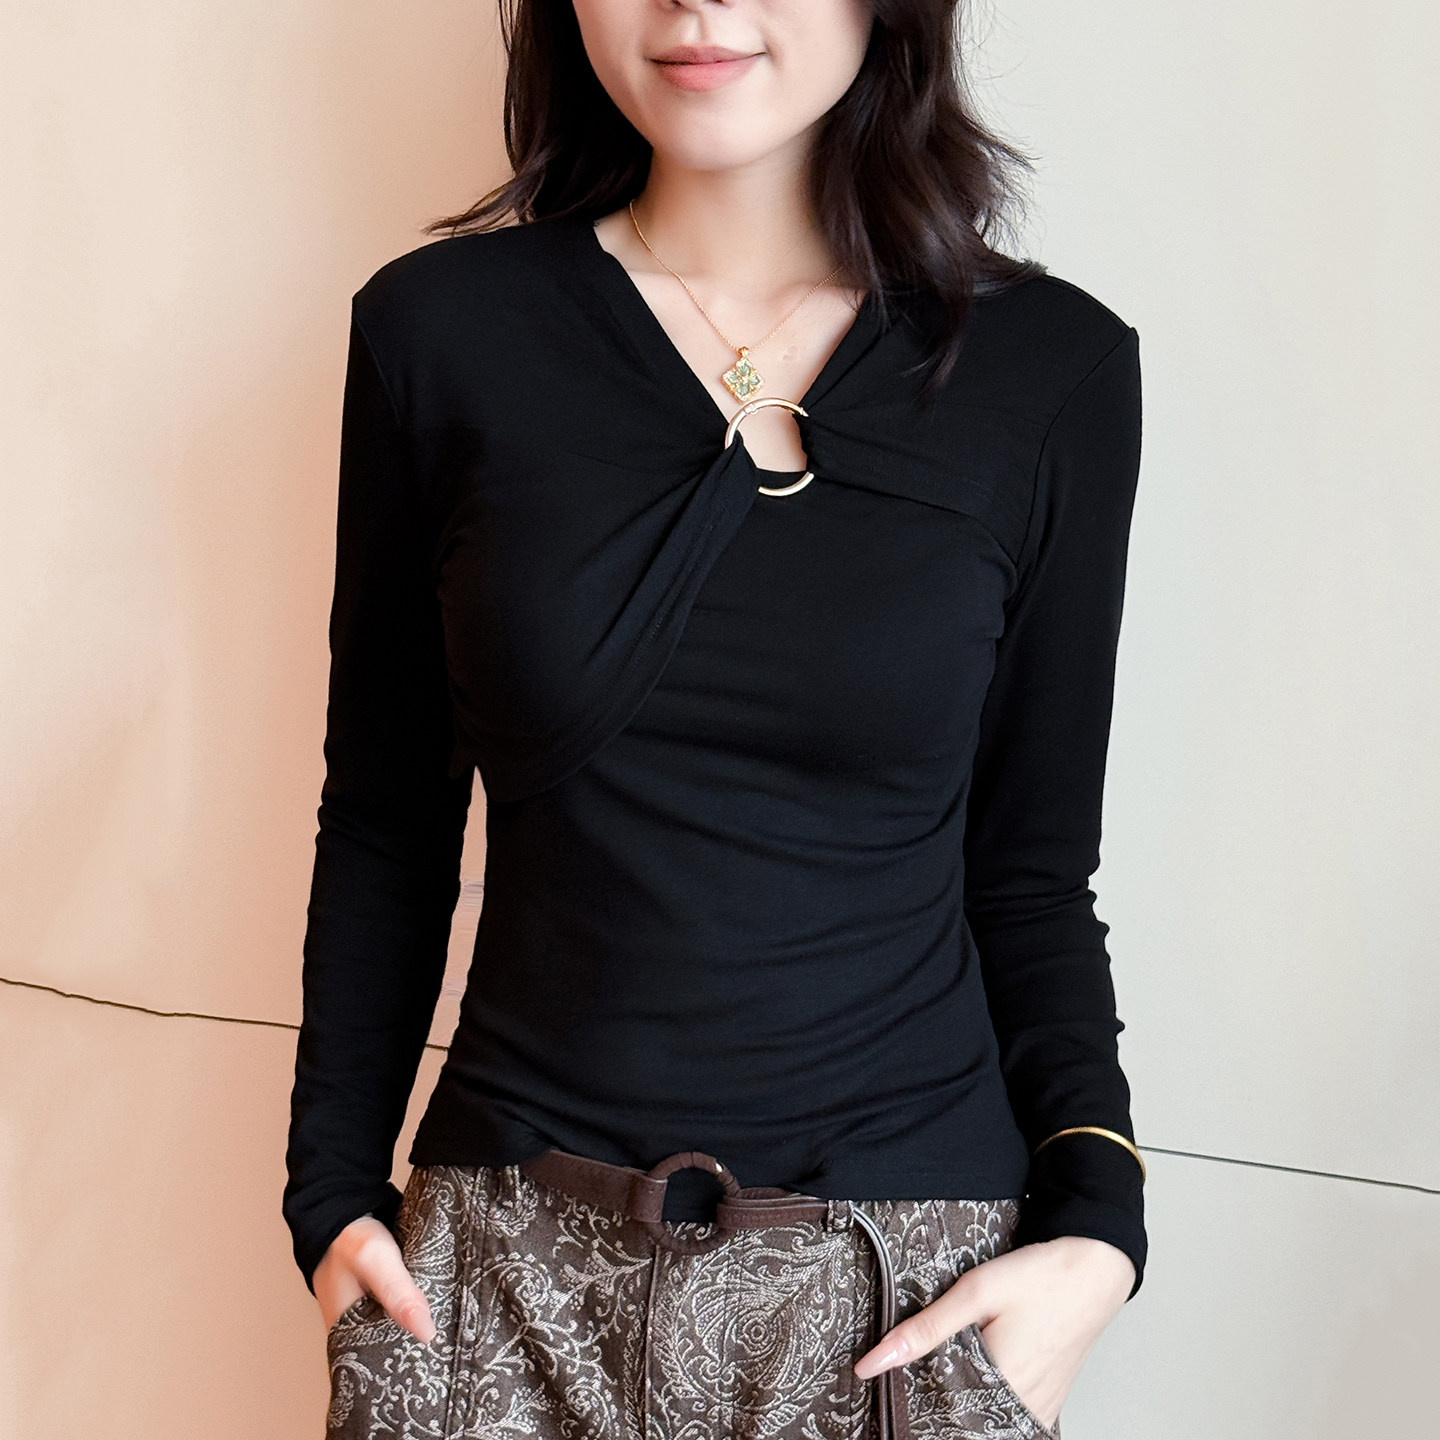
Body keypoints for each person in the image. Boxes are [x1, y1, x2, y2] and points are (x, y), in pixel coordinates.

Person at [283, 0, 1148, 1436]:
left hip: (905, 1297)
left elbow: (1031, 874)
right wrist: (329, 1200)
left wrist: (1102, 1229)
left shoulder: (1052, 370)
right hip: (500, 1282)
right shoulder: (440, 333)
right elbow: (384, 816)